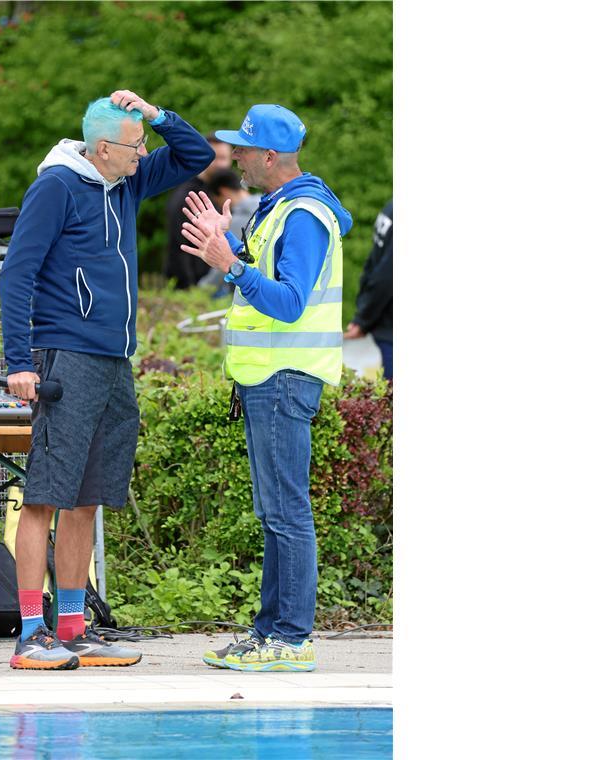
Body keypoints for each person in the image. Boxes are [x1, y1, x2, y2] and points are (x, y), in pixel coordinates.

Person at [0, 90, 214, 669]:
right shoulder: (56, 188)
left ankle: (72, 628)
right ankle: (30, 634)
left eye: (144, 144)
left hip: (114, 362)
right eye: (135, 145)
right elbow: (17, 273)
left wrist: (156, 114)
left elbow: (194, 155)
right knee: (46, 495)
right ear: (100, 149)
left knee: (88, 499)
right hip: (64, 358)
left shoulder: (127, 182)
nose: (144, 154)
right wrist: (19, 361)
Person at [179, 104, 353, 672]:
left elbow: (290, 302)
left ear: (270, 156)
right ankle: (269, 631)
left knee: (286, 513)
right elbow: (269, 283)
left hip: (282, 379)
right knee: (275, 511)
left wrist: (230, 264)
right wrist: (229, 245)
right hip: (267, 379)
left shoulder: (302, 214)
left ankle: (292, 638)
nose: (236, 158)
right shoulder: (283, 209)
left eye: (244, 150)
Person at [164, 135, 232, 288]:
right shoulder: (188, 195)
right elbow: (179, 247)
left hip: (217, 282)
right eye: (216, 158)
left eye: (224, 158)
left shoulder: (224, 192)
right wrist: (191, 289)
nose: (221, 164)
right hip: (191, 286)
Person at [344, 199, 393, 381]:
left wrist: (363, 317)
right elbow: (385, 276)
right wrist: (363, 319)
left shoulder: (391, 208)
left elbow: (375, 268)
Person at [196, 168, 260, 296]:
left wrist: (201, 290)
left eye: (216, 200)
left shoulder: (239, 219)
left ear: (223, 192)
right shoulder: (265, 203)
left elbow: (225, 261)